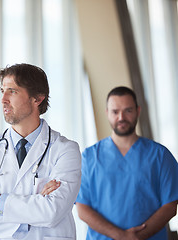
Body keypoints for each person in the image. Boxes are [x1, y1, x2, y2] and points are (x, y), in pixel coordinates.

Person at [0, 63, 82, 240]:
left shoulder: (66, 150)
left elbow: (52, 211)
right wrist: (32, 212)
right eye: (3, 91)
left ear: (37, 98)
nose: (3, 99)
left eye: (12, 91)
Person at [76, 86, 178, 240]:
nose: (121, 117)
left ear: (138, 111)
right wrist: (121, 236)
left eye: (128, 110)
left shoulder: (160, 155)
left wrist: (138, 236)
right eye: (115, 112)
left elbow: (170, 206)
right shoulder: (89, 157)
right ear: (107, 113)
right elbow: (82, 208)